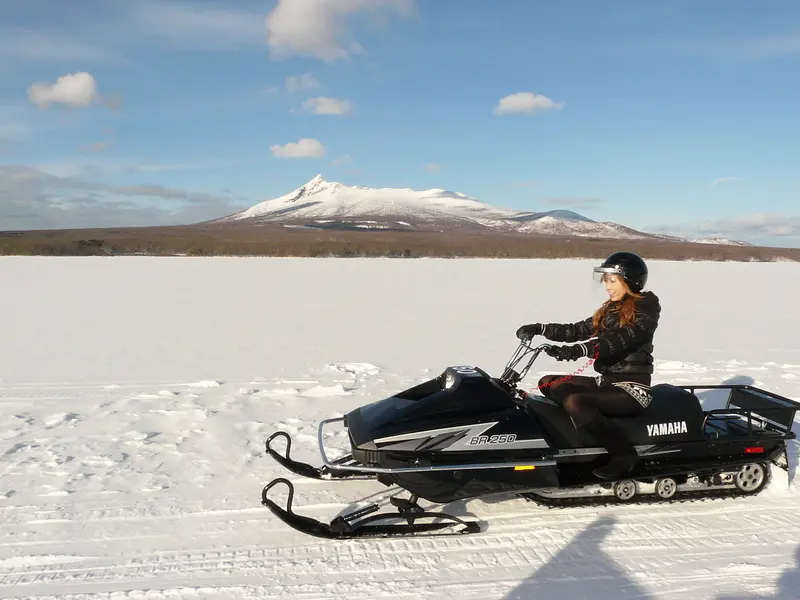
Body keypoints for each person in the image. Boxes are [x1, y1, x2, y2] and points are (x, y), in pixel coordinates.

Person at [515, 251, 661, 480]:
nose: (608, 287)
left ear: (630, 280)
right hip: (607, 381)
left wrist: (581, 350)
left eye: (612, 281)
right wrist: (540, 328)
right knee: (548, 383)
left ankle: (623, 454)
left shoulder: (646, 310)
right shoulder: (610, 309)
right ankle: (574, 438)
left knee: (575, 401)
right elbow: (576, 330)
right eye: (606, 281)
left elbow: (622, 339)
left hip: (632, 388)